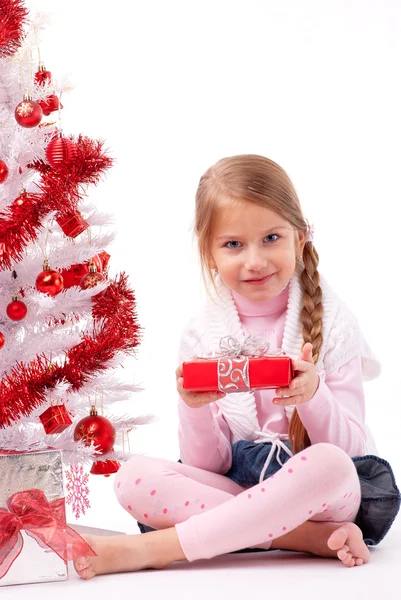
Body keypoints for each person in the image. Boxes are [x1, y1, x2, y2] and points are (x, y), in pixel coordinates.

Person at [74, 155, 400, 580]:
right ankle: (301, 537)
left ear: (299, 238)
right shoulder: (201, 334)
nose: (254, 261)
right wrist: (193, 407)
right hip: (240, 487)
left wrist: (314, 394)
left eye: (271, 238)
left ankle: (156, 548)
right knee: (133, 478)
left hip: (322, 492)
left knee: (329, 463)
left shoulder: (333, 323)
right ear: (208, 252)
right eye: (233, 244)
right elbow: (207, 465)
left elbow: (352, 451)